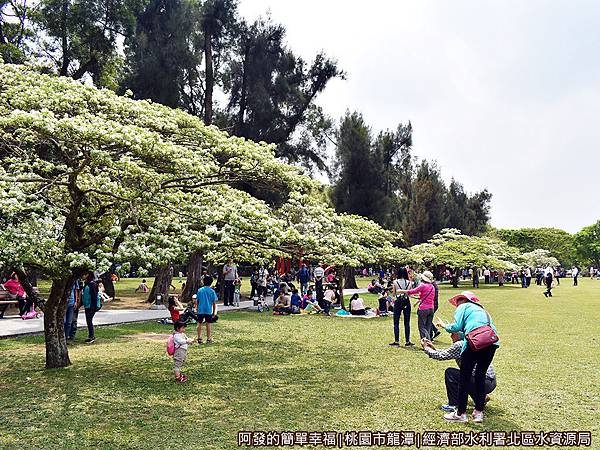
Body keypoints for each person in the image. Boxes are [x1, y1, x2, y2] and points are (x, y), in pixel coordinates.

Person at [435, 291, 500, 423]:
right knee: (480, 376)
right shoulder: (482, 310)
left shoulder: (462, 308)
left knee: (464, 377)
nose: (457, 304)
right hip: (491, 342)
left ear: (463, 300)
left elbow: (457, 327)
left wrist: (445, 326)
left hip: (474, 343)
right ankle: (478, 413)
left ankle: (461, 413)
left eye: (458, 300)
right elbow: (474, 330)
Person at [421, 332, 496, 413]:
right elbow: (447, 353)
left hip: (482, 382)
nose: (451, 336)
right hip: (490, 382)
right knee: (466, 375)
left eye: (453, 333)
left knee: (451, 373)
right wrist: (433, 349)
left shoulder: (459, 345)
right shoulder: (470, 342)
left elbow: (441, 356)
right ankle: (481, 398)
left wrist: (426, 348)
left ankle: (453, 404)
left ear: (459, 334)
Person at [396, 270, 436, 340]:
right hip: (431, 309)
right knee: (428, 326)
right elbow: (424, 296)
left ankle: (426, 342)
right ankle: (428, 341)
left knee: (422, 327)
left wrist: (401, 291)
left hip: (423, 309)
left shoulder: (422, 285)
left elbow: (412, 291)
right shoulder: (432, 287)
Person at [390, 267, 414, 347]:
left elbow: (393, 294)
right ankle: (407, 341)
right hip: (406, 301)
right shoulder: (409, 282)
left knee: (396, 322)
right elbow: (409, 293)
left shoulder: (395, 282)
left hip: (398, 302)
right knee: (407, 323)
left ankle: (396, 341)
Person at [195, 275, 218, 344]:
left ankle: (199, 337)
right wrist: (214, 312)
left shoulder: (200, 290)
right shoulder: (212, 291)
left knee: (199, 323)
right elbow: (214, 303)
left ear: (203, 281)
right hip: (208, 310)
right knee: (208, 324)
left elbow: (197, 301)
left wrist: (197, 308)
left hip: (200, 310)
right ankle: (208, 338)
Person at [82, 272, 101, 344]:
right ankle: (91, 336)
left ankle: (91, 337)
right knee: (88, 321)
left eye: (84, 274)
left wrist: (94, 307)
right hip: (87, 306)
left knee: (89, 321)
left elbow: (94, 297)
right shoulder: (86, 283)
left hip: (91, 306)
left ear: (88, 275)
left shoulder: (92, 284)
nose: (83, 276)